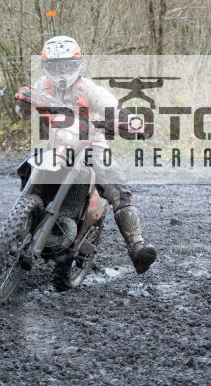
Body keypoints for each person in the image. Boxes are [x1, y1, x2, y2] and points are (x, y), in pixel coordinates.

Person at [14, 36, 157, 274]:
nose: (62, 71)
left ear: (78, 64)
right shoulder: (41, 85)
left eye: (67, 65)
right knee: (28, 167)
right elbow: (22, 111)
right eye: (56, 66)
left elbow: (114, 107)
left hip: (93, 147)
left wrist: (130, 121)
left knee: (118, 190)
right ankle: (22, 221)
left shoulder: (88, 89)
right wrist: (23, 103)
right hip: (57, 146)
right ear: (46, 67)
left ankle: (137, 247)